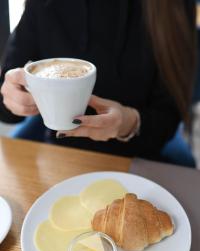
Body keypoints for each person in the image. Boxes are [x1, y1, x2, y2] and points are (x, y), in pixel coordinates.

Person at [0, 0, 196, 165]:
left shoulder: (170, 7)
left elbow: (169, 116)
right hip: (61, 157)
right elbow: (6, 107)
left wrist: (129, 122)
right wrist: (13, 96)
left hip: (137, 158)